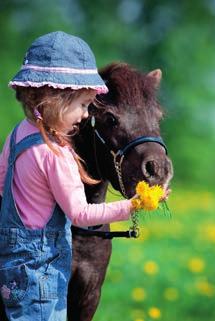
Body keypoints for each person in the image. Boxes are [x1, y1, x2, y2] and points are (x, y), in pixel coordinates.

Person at [0, 31, 169, 321]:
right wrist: (133, 205)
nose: (85, 115)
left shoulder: (17, 135)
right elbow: (79, 213)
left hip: (13, 263)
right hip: (43, 273)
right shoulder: (59, 155)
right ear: (56, 101)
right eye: (82, 105)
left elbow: (4, 181)